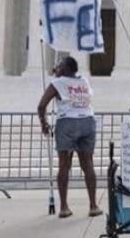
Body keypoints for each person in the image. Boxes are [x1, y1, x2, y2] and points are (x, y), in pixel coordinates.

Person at [37, 56, 103, 219]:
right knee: (88, 164)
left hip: (68, 123)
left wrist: (44, 124)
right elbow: (70, 84)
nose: (56, 68)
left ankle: (65, 207)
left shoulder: (58, 83)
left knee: (64, 165)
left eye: (59, 66)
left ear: (65, 68)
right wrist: (58, 74)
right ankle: (93, 205)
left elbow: (41, 105)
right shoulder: (84, 81)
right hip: (87, 121)